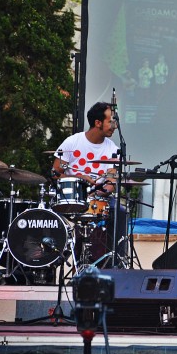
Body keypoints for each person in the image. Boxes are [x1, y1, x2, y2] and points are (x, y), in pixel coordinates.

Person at [52, 102, 127, 267]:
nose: (114, 126)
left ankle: (116, 263)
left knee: (120, 211)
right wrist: (80, 178)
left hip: (99, 200)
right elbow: (55, 173)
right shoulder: (72, 142)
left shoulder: (112, 149)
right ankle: (56, 262)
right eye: (110, 121)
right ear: (98, 123)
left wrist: (101, 192)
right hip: (72, 197)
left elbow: (112, 181)